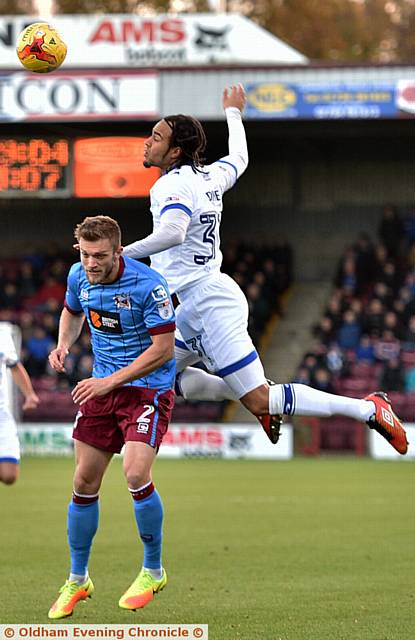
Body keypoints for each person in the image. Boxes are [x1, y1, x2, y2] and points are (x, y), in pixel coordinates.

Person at [122, 83, 408, 457]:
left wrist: (121, 254)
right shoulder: (209, 177)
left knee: (261, 399)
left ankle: (370, 409)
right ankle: (252, 392)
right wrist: (234, 113)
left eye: (155, 137)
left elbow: (173, 233)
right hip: (190, 306)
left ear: (175, 151)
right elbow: (239, 157)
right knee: (154, 372)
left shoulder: (171, 186)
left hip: (209, 304)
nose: (147, 142)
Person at [47, 215, 176, 619]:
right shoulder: (78, 276)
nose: (91, 263)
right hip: (103, 389)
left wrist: (107, 383)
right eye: (85, 255)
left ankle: (153, 570)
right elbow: (72, 312)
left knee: (136, 473)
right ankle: (78, 579)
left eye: (100, 256)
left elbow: (163, 350)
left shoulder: (149, 285)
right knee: (84, 481)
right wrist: (63, 344)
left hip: (147, 388)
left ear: (119, 251)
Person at [0, 322, 39, 485]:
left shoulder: (2, 335)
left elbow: (15, 366)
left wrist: (30, 394)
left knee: (10, 475)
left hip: (1, 413)